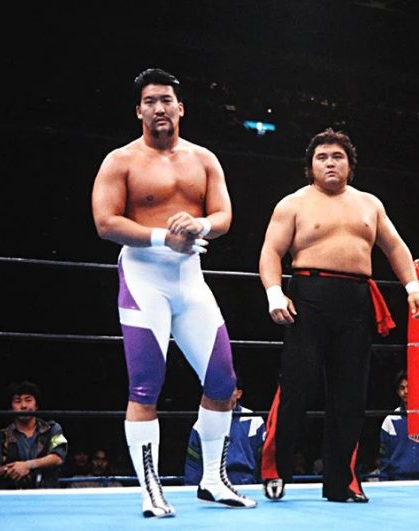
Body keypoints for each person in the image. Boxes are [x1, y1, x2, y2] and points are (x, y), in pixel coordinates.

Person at [91, 67, 255, 516]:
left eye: (166, 100)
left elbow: (223, 216)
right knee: (146, 385)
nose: (159, 108)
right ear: (138, 111)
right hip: (144, 279)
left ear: (180, 108)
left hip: (190, 279)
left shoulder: (204, 159)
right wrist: (164, 237)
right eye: (150, 101)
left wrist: (199, 225)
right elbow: (105, 222)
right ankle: (151, 490)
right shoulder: (120, 161)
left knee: (223, 380)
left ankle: (213, 479)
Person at [258, 128, 419, 503]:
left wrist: (413, 287)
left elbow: (395, 247)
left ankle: (342, 482)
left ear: (350, 164)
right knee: (297, 385)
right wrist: (274, 292)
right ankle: (275, 470)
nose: (330, 163)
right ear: (311, 166)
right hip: (308, 297)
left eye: (337, 156)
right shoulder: (294, 203)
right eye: (322, 157)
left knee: (350, 393)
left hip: (355, 300)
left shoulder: (370, 204)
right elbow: (271, 251)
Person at [0, 381, 68, 489]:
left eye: (28, 400)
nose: (23, 406)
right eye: (17, 401)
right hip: (12, 496)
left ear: (36, 405)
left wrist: (28, 465)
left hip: (47, 494)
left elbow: (57, 458)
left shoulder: (53, 429)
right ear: (11, 407)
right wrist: (9, 469)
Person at [184, 383, 266, 486]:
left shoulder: (254, 420)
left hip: (247, 484)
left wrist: (264, 485)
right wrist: (191, 489)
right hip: (214, 484)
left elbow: (264, 459)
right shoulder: (202, 424)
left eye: (230, 389)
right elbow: (193, 465)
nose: (225, 393)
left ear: (238, 394)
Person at [379, 370, 419, 481]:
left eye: (410, 387)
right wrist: (384, 482)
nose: (406, 391)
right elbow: (385, 457)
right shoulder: (390, 419)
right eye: (402, 388)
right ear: (398, 392)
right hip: (399, 480)